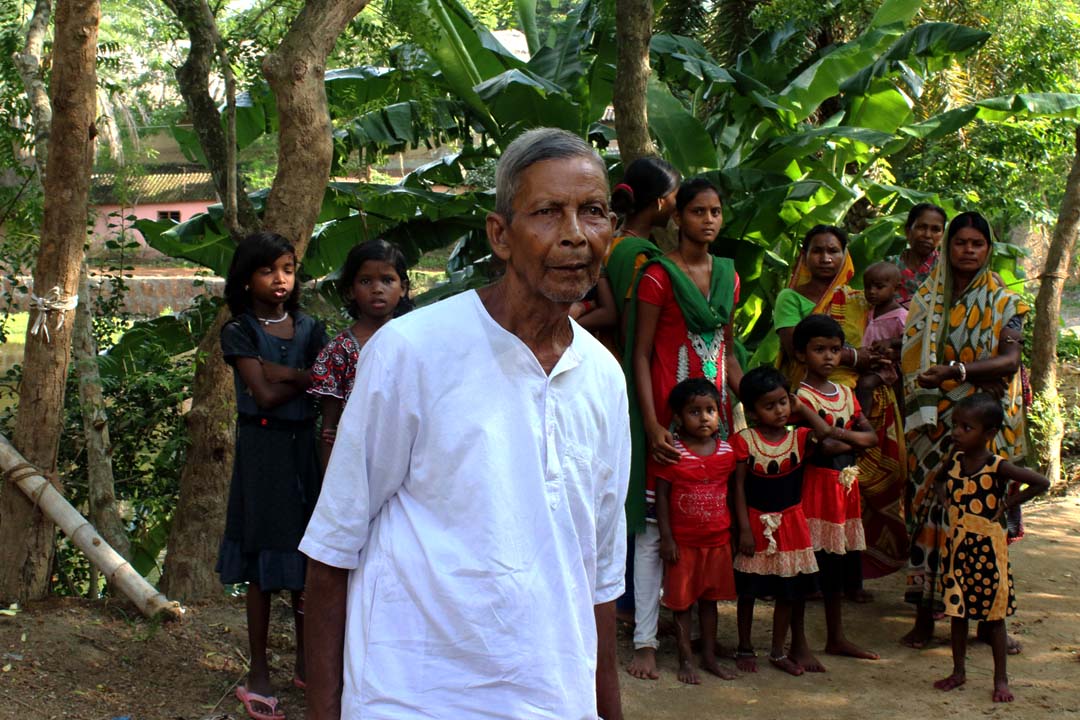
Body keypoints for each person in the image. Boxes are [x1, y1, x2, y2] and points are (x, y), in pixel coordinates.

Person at [299, 127, 629, 720]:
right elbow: (332, 548)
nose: (576, 234)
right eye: (548, 213)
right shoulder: (411, 352)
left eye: (594, 212)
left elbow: (599, 575)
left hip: (553, 699)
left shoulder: (603, 377)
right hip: (411, 696)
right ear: (500, 235)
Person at [624, 178, 743, 680]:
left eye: (716, 211)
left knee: (706, 531)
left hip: (712, 426)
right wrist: (652, 424)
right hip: (670, 426)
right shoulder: (658, 276)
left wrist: (746, 408)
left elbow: (728, 351)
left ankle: (696, 635)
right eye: (698, 211)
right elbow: (642, 351)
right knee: (654, 536)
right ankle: (646, 642)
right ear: (679, 218)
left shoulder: (729, 277)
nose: (709, 220)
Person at [900, 211, 1029, 652]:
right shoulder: (924, 300)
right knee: (930, 517)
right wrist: (976, 374)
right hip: (932, 427)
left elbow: (1009, 362)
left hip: (984, 429)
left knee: (983, 522)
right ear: (948, 248)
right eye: (961, 243)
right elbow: (912, 363)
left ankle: (989, 622)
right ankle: (924, 618)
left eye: (977, 243)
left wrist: (958, 371)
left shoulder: (1005, 303)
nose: (968, 250)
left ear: (988, 249)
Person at [216, 231, 328, 720]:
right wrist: (305, 378)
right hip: (262, 450)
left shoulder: (311, 327)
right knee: (264, 562)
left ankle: (308, 662)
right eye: (267, 270)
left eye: (287, 268)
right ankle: (259, 671)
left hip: (306, 447)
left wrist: (290, 375)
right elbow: (261, 395)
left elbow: (329, 386)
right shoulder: (239, 330)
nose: (279, 279)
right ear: (245, 280)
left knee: (310, 559)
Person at [774, 225, 906, 588]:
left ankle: (853, 577)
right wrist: (856, 357)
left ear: (845, 254)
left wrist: (874, 357)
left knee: (857, 489)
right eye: (817, 250)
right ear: (805, 256)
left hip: (860, 401)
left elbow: (888, 330)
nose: (826, 257)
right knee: (813, 488)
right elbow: (791, 346)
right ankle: (809, 576)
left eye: (833, 250)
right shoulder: (790, 297)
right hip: (809, 400)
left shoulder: (859, 299)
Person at [931, 393, 1049, 702]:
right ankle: (958, 672)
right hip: (957, 549)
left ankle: (1001, 680)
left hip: (987, 552)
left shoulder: (997, 466)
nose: (956, 432)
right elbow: (938, 480)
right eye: (955, 425)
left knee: (994, 619)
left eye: (966, 427)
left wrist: (1009, 503)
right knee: (958, 612)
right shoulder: (954, 460)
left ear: (989, 434)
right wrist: (943, 496)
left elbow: (1041, 483)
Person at [732, 367, 833, 677]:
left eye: (782, 403)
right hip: (755, 524)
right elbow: (737, 487)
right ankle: (745, 646)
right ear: (751, 411)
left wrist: (801, 407)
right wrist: (744, 530)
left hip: (792, 525)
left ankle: (778, 651)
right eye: (769, 405)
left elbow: (826, 433)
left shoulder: (800, 437)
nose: (778, 411)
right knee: (748, 591)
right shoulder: (744, 441)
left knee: (789, 592)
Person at [792, 314, 879, 664]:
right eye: (819, 350)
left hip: (844, 492)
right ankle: (798, 642)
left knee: (836, 567)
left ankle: (836, 637)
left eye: (835, 349)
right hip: (815, 488)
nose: (828, 357)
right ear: (801, 355)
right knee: (805, 566)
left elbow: (871, 438)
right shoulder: (800, 397)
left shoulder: (846, 392)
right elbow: (819, 448)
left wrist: (837, 434)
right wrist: (850, 440)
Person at [653, 378, 738, 685]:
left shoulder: (727, 452)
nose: (704, 418)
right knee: (682, 604)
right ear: (678, 417)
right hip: (684, 546)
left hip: (717, 542)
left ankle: (710, 656)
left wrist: (737, 535)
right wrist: (667, 538)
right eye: (694, 411)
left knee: (710, 602)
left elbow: (732, 494)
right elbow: (661, 497)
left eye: (710, 410)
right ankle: (685, 658)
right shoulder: (671, 453)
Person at [308, 239, 412, 468]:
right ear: (350, 290)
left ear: (402, 287)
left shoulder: (418, 343)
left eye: (387, 280)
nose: (377, 289)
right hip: (355, 463)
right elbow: (329, 429)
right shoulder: (338, 351)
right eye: (366, 281)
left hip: (409, 459)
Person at [573, 157, 681, 346]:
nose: (677, 205)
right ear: (660, 203)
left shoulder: (609, 242)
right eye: (675, 197)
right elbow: (630, 332)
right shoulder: (638, 257)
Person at [853, 261, 911, 580]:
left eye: (880, 287)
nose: (873, 292)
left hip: (885, 376)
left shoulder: (900, 316)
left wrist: (891, 351)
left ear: (895, 288)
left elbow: (909, 348)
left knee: (865, 385)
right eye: (869, 286)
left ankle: (860, 421)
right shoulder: (866, 312)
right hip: (867, 368)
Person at [886, 203, 947, 307]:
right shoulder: (889, 266)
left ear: (942, 236)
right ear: (908, 230)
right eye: (921, 227)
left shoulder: (946, 268)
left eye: (935, 230)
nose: (927, 235)